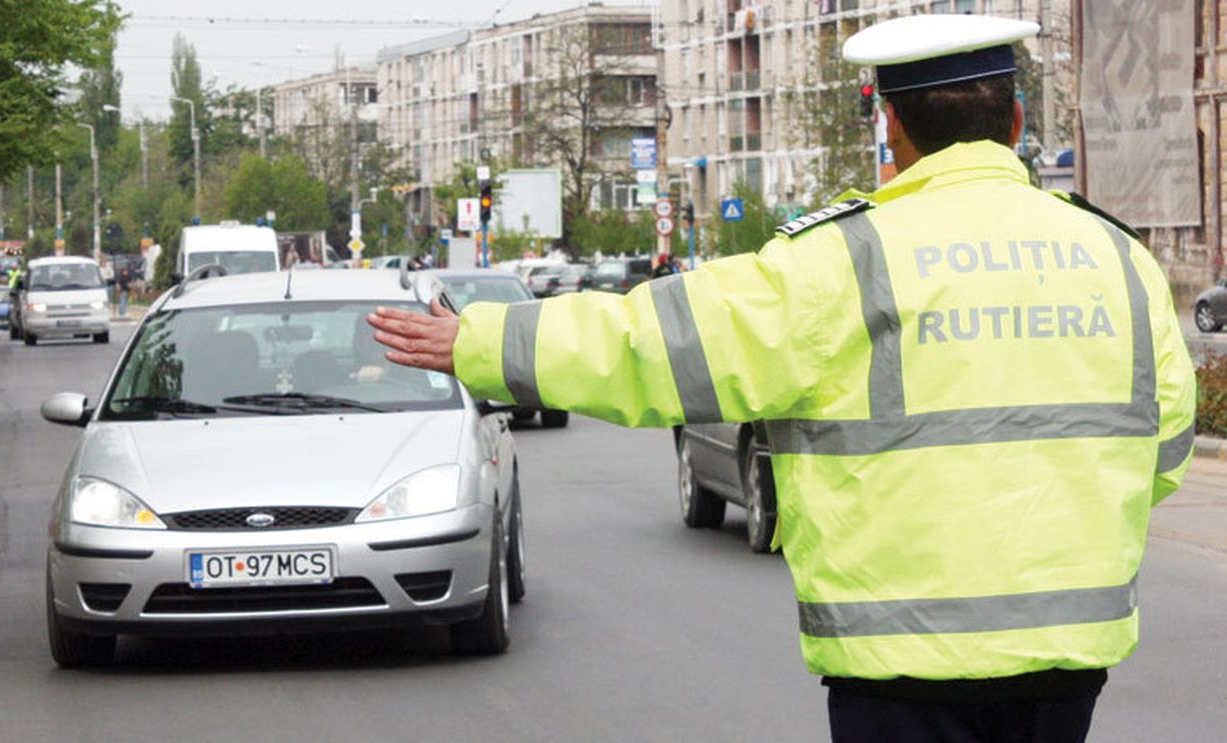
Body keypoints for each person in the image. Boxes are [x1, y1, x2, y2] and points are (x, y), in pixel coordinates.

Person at [368, 15, 1196, 743]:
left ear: (891, 127)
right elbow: (1164, 446)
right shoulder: (1117, 256)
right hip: (1067, 659)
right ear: (1015, 122)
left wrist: (482, 340)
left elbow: (652, 345)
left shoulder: (843, 259)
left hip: (900, 659)